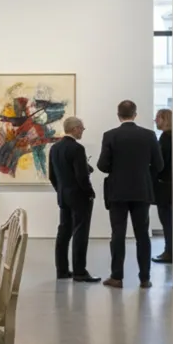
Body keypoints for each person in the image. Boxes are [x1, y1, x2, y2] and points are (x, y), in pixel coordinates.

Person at [96, 100, 163, 288]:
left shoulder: (110, 136)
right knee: (142, 234)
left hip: (117, 191)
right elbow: (159, 165)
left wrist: (116, 169)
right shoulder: (149, 136)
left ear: (118, 115)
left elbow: (102, 165)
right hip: (142, 190)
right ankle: (145, 278)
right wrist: (144, 175)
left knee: (118, 234)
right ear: (135, 114)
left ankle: (116, 276)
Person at [48, 116, 100, 283]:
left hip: (64, 196)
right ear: (75, 128)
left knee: (63, 232)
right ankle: (79, 271)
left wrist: (61, 190)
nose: (83, 131)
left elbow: (52, 176)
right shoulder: (77, 149)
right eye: (82, 128)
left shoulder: (54, 148)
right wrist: (90, 192)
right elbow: (81, 176)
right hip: (79, 197)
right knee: (80, 233)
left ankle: (62, 270)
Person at [152, 109, 173, 264]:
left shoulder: (165, 138)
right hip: (171, 184)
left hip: (164, 186)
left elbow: (160, 164)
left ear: (164, 119)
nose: (155, 120)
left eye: (157, 118)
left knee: (166, 221)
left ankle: (169, 252)